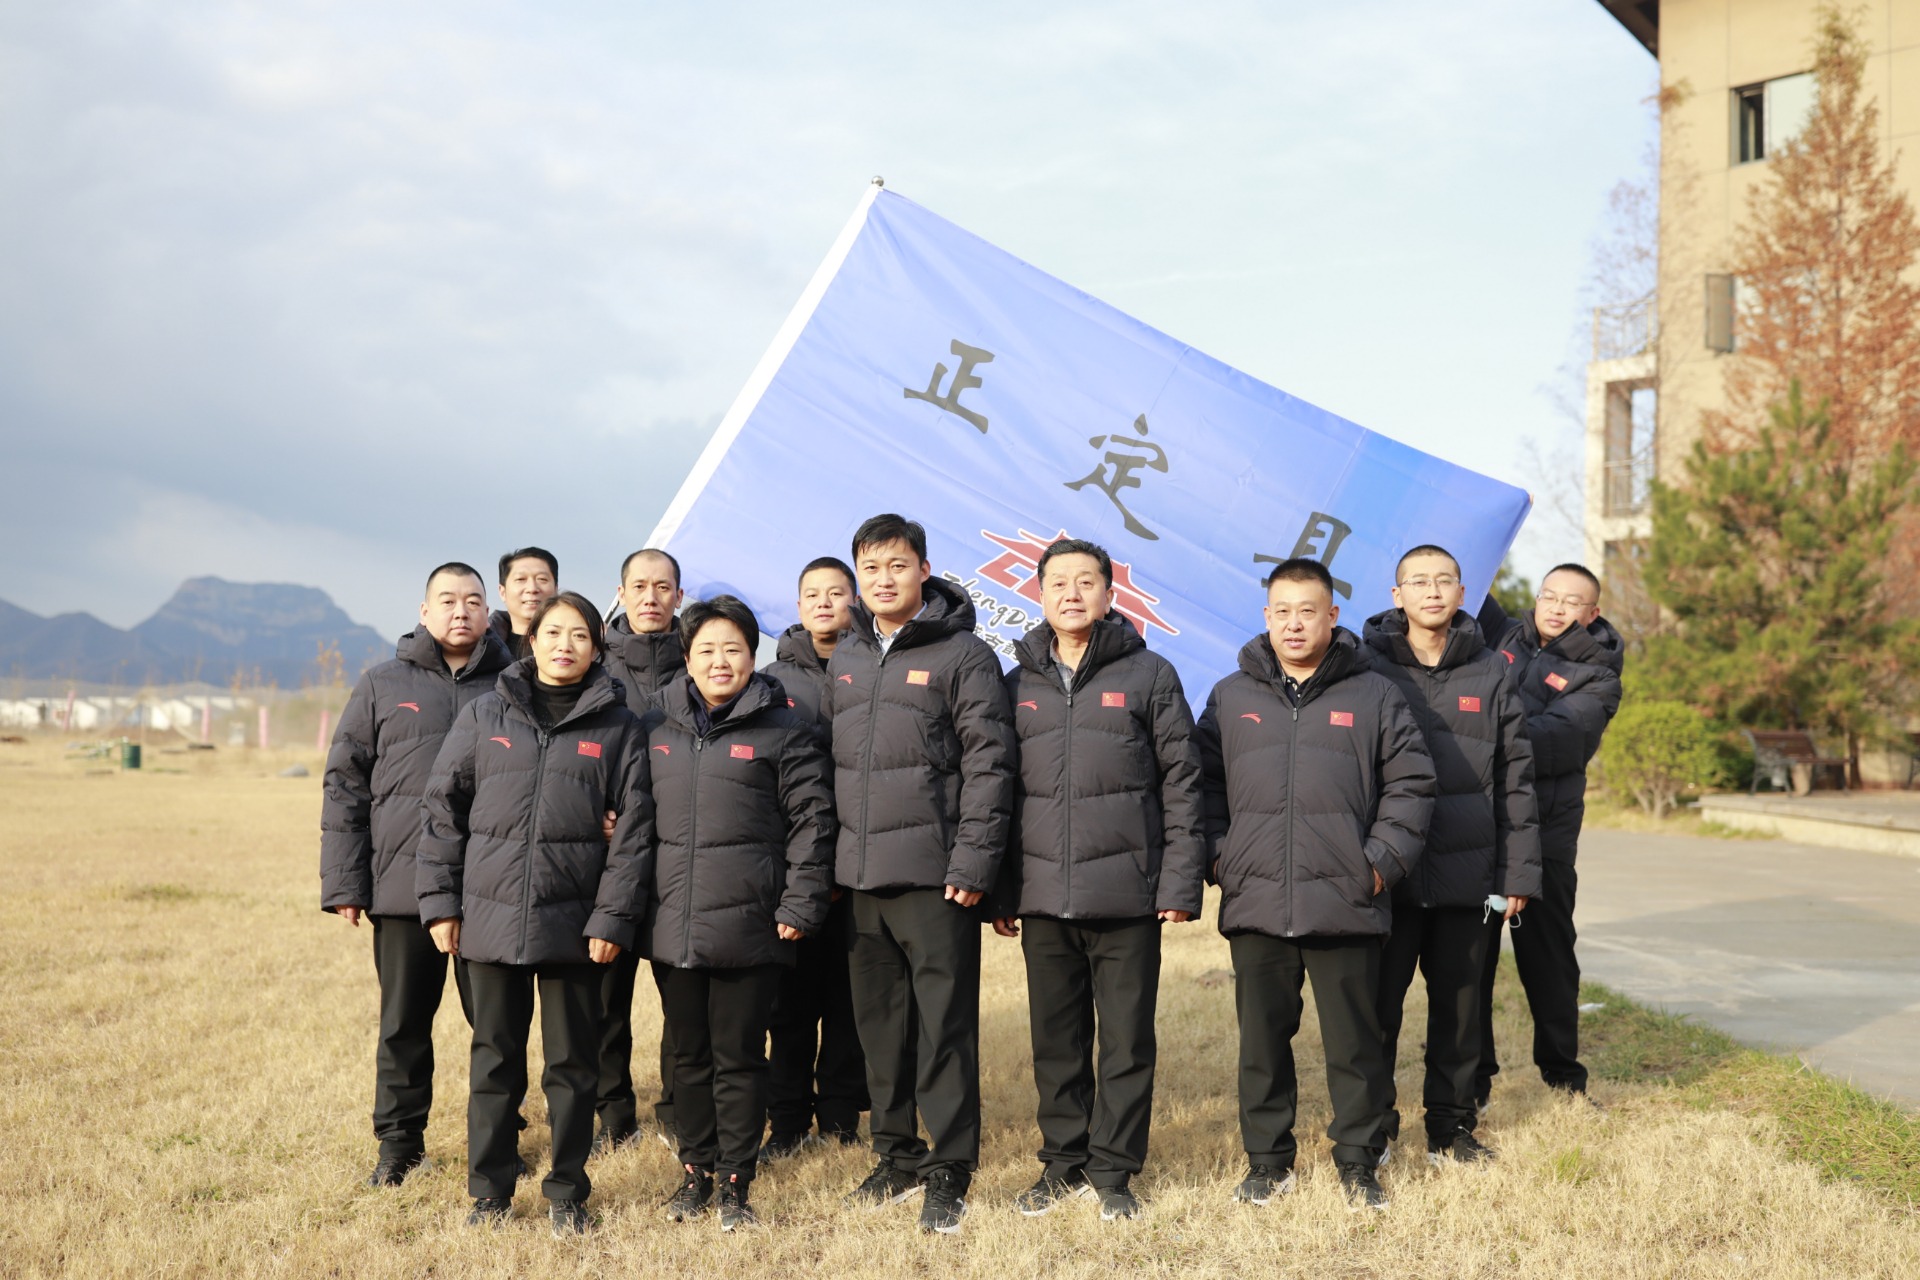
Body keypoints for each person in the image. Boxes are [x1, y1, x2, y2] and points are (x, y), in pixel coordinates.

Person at [1193, 558, 1433, 1213]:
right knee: (1262, 1044)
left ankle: (1358, 1161)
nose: (1294, 624)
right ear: (1266, 617)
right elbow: (1202, 785)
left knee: (1356, 1045)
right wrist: (1222, 857)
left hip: (1346, 897)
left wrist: (1377, 864)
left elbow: (1412, 784)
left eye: (1308, 611)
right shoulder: (1231, 696)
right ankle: (1268, 1164)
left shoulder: (1375, 694)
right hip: (1257, 898)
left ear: (1332, 616)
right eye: (1283, 612)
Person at [417, 592, 654, 1237]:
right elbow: (442, 810)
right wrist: (440, 903)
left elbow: (634, 834)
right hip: (489, 918)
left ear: (596, 648)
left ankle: (567, 1192)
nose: (564, 645)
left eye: (579, 635)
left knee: (573, 1066)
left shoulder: (620, 727)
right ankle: (489, 1192)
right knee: (494, 1062)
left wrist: (612, 919)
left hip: (576, 925)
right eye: (553, 633)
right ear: (532, 640)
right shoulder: (485, 712)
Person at [991, 538, 1206, 1222]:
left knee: (1125, 1040)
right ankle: (1062, 1163)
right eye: (1059, 582)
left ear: (1111, 595)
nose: (1072, 594)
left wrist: (1178, 884)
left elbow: (1184, 782)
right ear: (1039, 594)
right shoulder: (1016, 683)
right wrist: (1002, 888)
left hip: (1128, 894)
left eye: (1087, 582)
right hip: (1043, 895)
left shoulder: (1150, 675)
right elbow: (997, 791)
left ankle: (1113, 1169)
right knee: (1055, 1042)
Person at [828, 513, 1015, 1235]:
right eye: (871, 568)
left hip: (937, 878)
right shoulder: (847, 656)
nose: (884, 579)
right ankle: (896, 1154)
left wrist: (973, 860)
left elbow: (989, 764)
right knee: (880, 1028)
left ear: (924, 570)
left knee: (944, 1028)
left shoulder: (963, 655)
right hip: (860, 876)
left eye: (897, 565)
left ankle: (951, 1166)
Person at [643, 595, 836, 1231]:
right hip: (673, 923)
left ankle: (734, 1181)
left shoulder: (784, 728)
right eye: (706, 650)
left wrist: (800, 901)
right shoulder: (657, 728)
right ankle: (694, 1172)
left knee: (740, 1056)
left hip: (752, 924)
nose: (719, 661)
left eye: (733, 649)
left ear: (753, 657)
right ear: (687, 658)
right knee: (688, 1057)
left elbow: (813, 822)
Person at [320, 562, 514, 1188]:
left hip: (491, 887)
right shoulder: (382, 683)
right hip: (403, 887)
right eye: (448, 600)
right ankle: (399, 1145)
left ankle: (500, 1141)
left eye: (473, 601)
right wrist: (346, 884)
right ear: (424, 611)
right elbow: (345, 784)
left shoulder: (514, 682)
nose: (461, 611)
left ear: (489, 612)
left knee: (496, 1027)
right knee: (404, 1023)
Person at [1361, 546, 1539, 1166]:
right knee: (1376, 1008)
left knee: (1462, 1009)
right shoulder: (1366, 665)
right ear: (1397, 595)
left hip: (1470, 872)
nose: (1432, 592)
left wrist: (1517, 873)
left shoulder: (1492, 670)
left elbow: (1516, 777)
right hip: (1389, 871)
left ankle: (1451, 1127)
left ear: (1464, 594)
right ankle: (1373, 1127)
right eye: (1419, 582)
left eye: (1444, 582)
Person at [1473, 564, 1624, 1105]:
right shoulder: (1502, 637)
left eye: (1571, 601)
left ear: (1592, 612)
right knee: (1471, 961)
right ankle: (1474, 1080)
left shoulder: (1599, 675)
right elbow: (1468, 574)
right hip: (1481, 832)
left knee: (1549, 963)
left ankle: (1563, 1078)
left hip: (1544, 839)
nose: (1556, 608)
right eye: (1548, 596)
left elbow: (1560, 738)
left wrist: (1475, 730)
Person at [759, 556, 870, 1156]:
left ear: (855, 600)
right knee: (790, 1005)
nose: (824, 603)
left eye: (835, 592)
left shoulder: (874, 664)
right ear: (798, 605)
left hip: (859, 861)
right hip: (793, 867)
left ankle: (840, 1118)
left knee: (849, 1001)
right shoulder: (771, 682)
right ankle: (786, 1122)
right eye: (812, 594)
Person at [594, 546, 690, 1155]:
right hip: (608, 862)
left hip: (684, 858)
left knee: (684, 996)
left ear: (679, 595)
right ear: (621, 593)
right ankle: (612, 1115)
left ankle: (680, 1109)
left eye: (663, 587)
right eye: (639, 586)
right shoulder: (594, 665)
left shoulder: (703, 657)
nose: (651, 597)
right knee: (605, 997)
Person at [488, 547, 558, 659]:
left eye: (542, 579)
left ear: (555, 590)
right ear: (502, 592)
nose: (532, 588)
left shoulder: (575, 646)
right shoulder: (480, 648)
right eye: (520, 579)